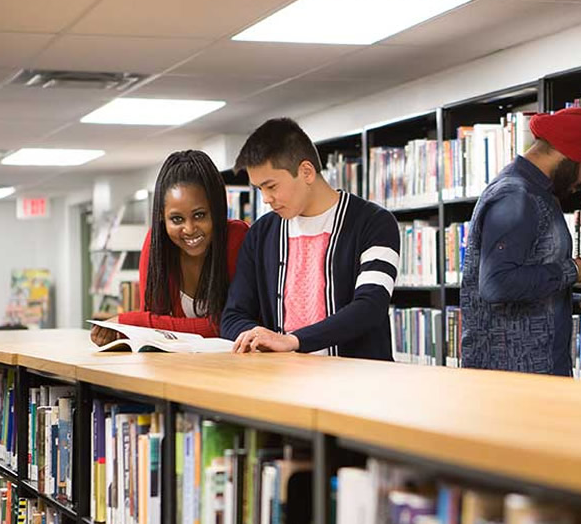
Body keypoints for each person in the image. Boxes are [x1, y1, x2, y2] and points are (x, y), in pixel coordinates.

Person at [459, 107, 581, 376]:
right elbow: (496, 285)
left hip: (537, 370)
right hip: (513, 379)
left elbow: (524, 287)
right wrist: (579, 270)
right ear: (572, 153)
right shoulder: (516, 196)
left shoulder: (538, 195)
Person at [221, 117, 400, 359]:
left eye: (271, 186)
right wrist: (257, 337)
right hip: (281, 383)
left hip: (358, 383)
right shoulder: (261, 233)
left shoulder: (374, 222)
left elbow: (370, 306)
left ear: (306, 171)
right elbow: (233, 317)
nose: (265, 198)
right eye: (259, 189)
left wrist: (293, 341)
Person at [89, 150, 249, 346]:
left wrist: (128, 323)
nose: (189, 229)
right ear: (161, 217)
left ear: (216, 210)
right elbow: (154, 328)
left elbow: (226, 327)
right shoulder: (157, 245)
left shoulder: (237, 238)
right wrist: (121, 334)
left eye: (199, 215)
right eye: (176, 219)